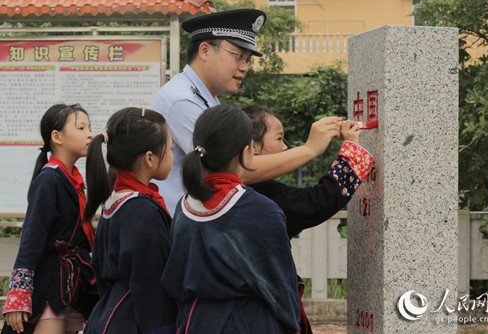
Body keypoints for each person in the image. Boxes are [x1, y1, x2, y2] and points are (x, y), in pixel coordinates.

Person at [151, 8, 341, 215]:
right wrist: (309, 150)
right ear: (205, 51)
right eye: (238, 56)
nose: (245, 67)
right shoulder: (182, 100)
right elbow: (233, 170)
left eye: (248, 59)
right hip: (176, 230)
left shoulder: (203, 98)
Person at [161, 104, 300, 334]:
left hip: (194, 322)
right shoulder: (262, 210)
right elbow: (281, 289)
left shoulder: (184, 207)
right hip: (249, 323)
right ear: (246, 153)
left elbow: (173, 279)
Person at [243, 105, 375, 334]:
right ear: (253, 146)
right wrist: (352, 153)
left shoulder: (214, 192)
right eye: (279, 138)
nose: (285, 146)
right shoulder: (258, 198)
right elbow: (317, 202)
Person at [2, 104, 97, 334]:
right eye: (81, 127)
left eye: (89, 128)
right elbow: (32, 238)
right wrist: (19, 293)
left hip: (70, 286)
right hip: (50, 288)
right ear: (57, 137)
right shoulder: (50, 179)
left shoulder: (72, 180)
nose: (90, 134)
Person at [82, 107, 177, 334]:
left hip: (109, 316)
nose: (173, 156)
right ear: (150, 158)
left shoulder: (115, 201)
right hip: (135, 322)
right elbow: (151, 287)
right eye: (171, 149)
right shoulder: (142, 211)